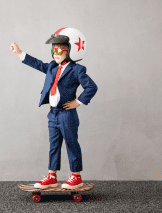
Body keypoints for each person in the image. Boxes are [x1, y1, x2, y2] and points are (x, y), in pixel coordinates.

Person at [10, 28, 97, 189]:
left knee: (71, 144)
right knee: (54, 145)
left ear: (70, 51)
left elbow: (91, 87)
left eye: (59, 50)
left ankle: (76, 177)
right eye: (53, 49)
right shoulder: (52, 66)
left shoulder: (77, 70)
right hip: (53, 114)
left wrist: (78, 102)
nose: (55, 53)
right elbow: (37, 64)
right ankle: (52, 176)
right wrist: (20, 52)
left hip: (67, 114)